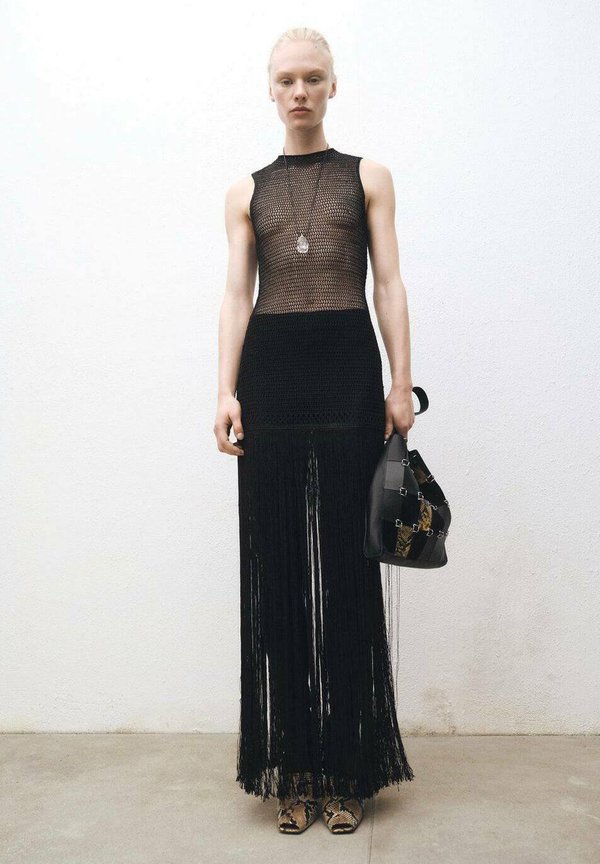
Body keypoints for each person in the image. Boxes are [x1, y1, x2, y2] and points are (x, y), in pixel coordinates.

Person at [214, 27, 416, 835]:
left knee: (344, 566)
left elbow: (388, 283)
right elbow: (237, 295)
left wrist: (399, 382)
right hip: (271, 376)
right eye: (286, 79)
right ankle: (293, 765)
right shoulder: (244, 191)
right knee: (280, 571)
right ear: (270, 90)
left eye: (312, 78)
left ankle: (348, 766)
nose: (299, 91)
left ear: (334, 86)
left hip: (346, 372)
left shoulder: (369, 177)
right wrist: (224, 391)